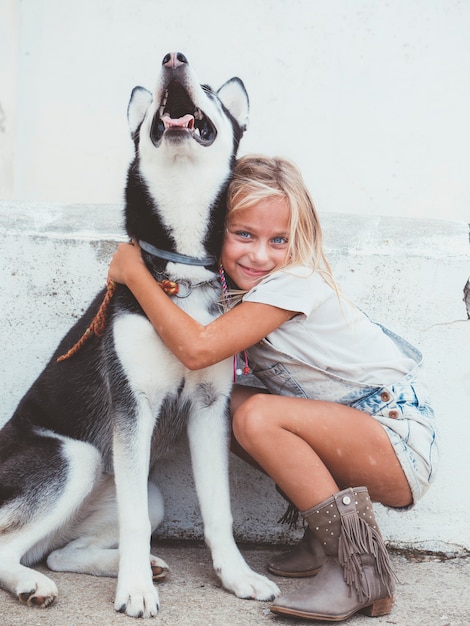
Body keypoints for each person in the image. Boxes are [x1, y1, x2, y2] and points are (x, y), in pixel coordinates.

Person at [108, 154, 438, 622]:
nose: (260, 255)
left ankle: (361, 570)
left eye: (277, 240)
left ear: (295, 240)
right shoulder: (231, 290)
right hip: (357, 431)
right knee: (222, 405)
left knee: (256, 416)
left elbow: (198, 350)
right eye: (243, 235)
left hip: (397, 437)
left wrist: (134, 273)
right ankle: (322, 537)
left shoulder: (293, 283)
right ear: (215, 227)